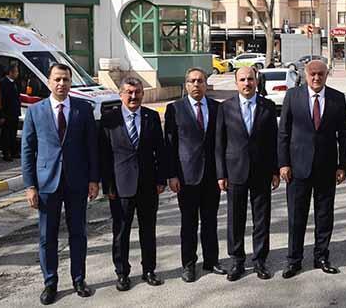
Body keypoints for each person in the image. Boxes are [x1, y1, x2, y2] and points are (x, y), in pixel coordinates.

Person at [21, 63, 99, 305]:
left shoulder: (83, 109)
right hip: (47, 184)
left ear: (70, 82)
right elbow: (27, 150)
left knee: (78, 234)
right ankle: (50, 282)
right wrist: (30, 186)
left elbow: (92, 147)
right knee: (47, 236)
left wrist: (94, 179)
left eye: (65, 79)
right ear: (48, 82)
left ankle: (79, 279)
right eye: (57, 79)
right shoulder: (35, 111)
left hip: (77, 182)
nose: (61, 84)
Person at [278, 60, 346, 278]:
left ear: (326, 75)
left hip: (326, 168)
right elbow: (283, 133)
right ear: (306, 75)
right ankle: (294, 260)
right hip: (297, 168)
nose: (316, 78)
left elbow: (343, 135)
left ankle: (321, 257)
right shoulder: (293, 96)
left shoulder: (337, 98)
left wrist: (342, 165)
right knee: (296, 216)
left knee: (324, 216)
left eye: (320, 74)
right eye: (312, 74)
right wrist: (283, 163)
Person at [99, 77, 165, 291]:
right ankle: (122, 273)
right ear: (121, 95)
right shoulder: (109, 119)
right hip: (120, 186)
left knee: (148, 230)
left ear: (143, 94)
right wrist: (108, 186)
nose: (133, 96)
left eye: (137, 92)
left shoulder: (151, 117)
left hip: (148, 185)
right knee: (121, 232)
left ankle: (149, 270)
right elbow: (104, 155)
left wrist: (161, 179)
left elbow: (160, 150)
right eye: (129, 92)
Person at [216, 66, 280, 282]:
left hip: (262, 171)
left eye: (250, 79)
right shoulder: (225, 108)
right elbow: (219, 143)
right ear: (236, 83)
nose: (247, 83)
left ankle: (260, 260)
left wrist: (275, 170)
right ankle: (237, 261)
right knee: (235, 219)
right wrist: (221, 174)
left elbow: (273, 141)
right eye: (242, 79)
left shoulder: (267, 106)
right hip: (235, 171)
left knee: (261, 219)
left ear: (256, 81)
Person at [164, 68, 226, 283]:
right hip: (186, 176)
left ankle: (211, 261)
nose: (197, 85)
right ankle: (189, 264)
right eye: (192, 81)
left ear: (206, 84)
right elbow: (169, 145)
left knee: (210, 221)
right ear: (186, 84)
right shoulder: (175, 109)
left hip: (211, 176)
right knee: (189, 224)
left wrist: (222, 173)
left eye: (200, 81)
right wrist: (171, 175)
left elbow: (221, 143)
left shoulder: (217, 108)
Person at [0, 63, 21, 162]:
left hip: (14, 113)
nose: (18, 73)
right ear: (11, 72)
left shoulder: (14, 83)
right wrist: (1, 115)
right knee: (6, 134)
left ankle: (13, 152)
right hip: (7, 114)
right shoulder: (3, 83)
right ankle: (6, 153)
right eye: (16, 71)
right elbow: (0, 100)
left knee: (13, 133)